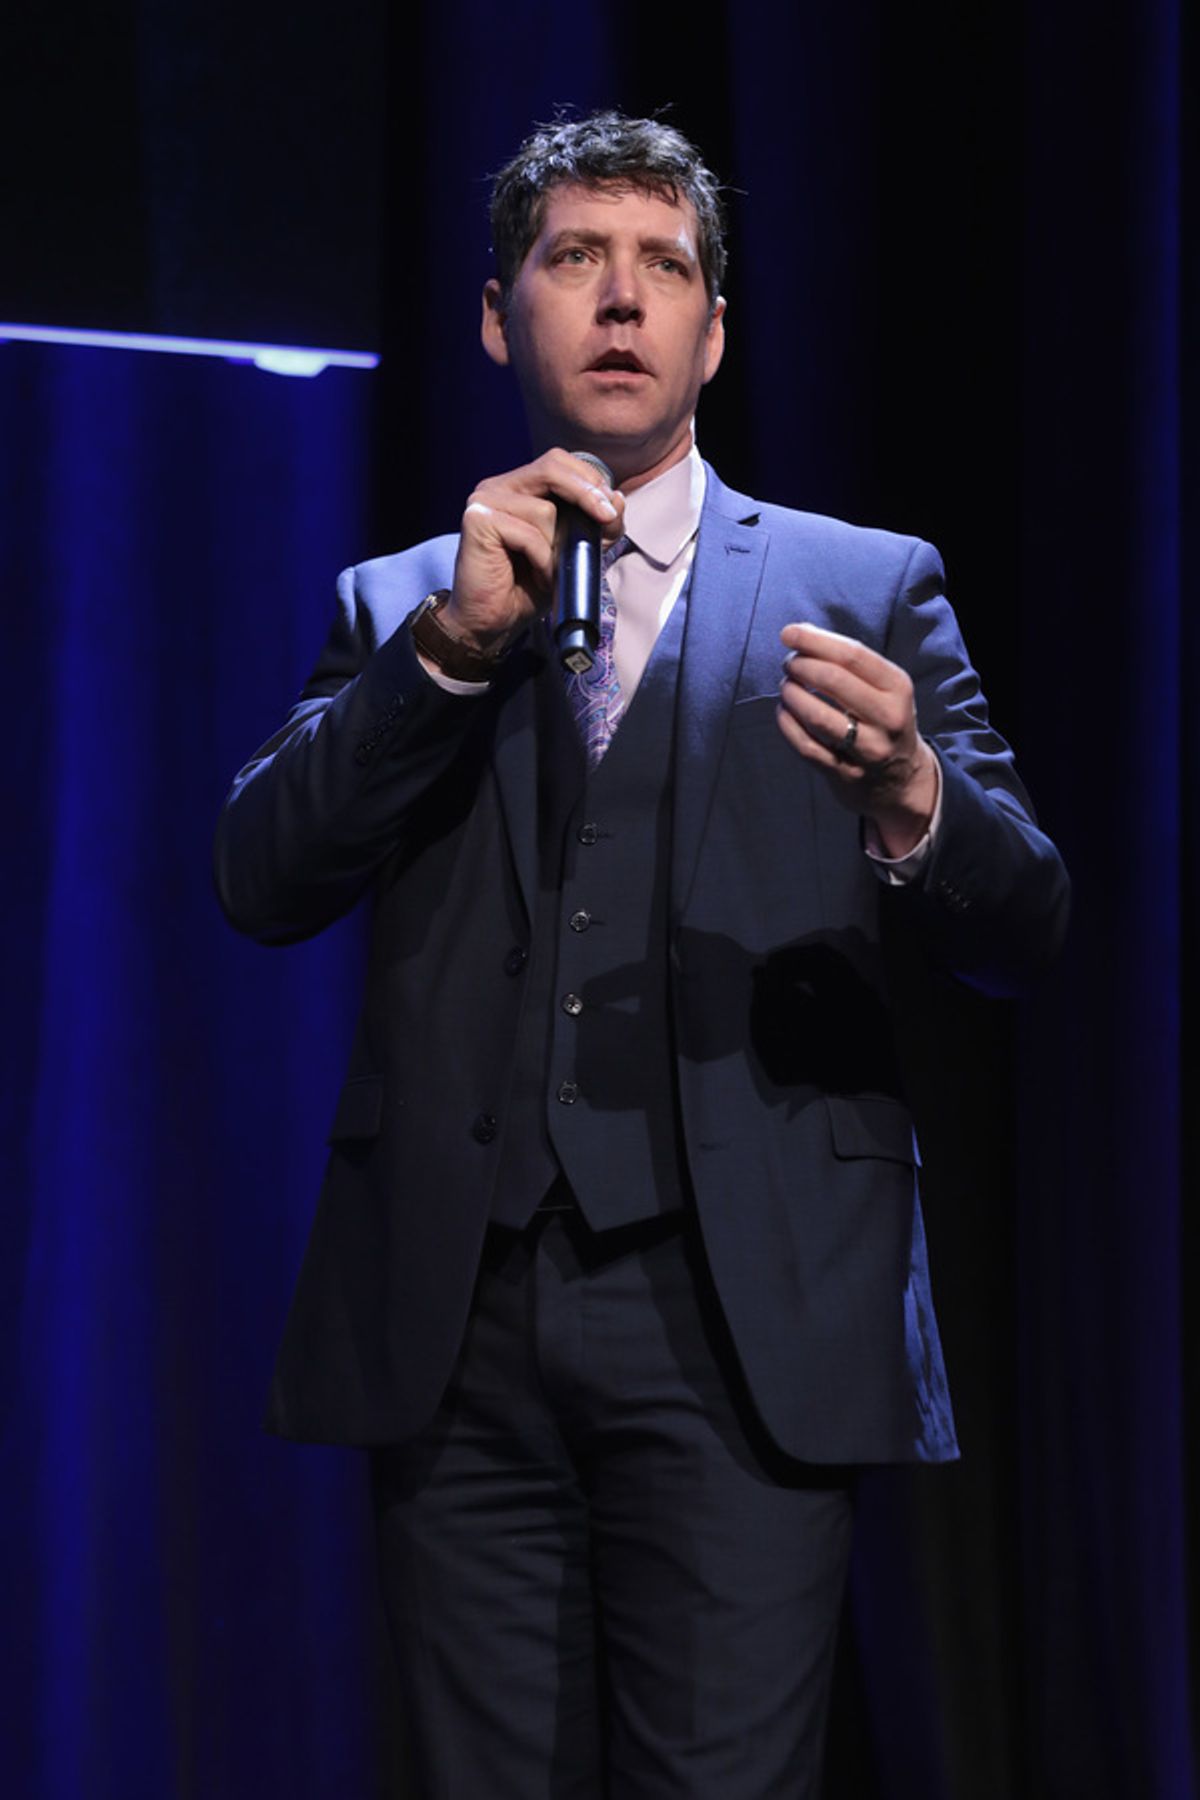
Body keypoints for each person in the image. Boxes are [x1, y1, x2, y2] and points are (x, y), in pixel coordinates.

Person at [214, 111, 1068, 1798]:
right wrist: (452, 655)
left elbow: (1026, 930)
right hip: (461, 1315)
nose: (620, 301)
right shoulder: (402, 601)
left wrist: (910, 797)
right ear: (496, 314)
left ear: (715, 333)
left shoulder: (866, 583)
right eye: (574, 260)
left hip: (746, 1315)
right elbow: (259, 878)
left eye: (662, 268)